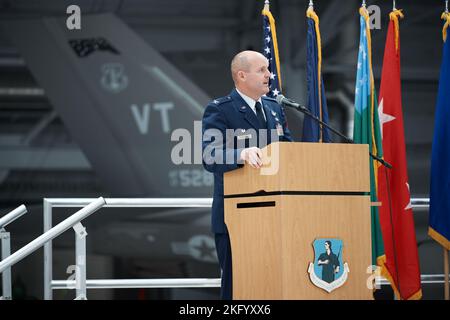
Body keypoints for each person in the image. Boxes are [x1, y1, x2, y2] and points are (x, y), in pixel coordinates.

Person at [201, 50, 293, 299]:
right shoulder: (221, 109)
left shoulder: (275, 108)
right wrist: (240, 155)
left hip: (276, 216)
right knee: (237, 288)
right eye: (262, 70)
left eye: (268, 69)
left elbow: (290, 153)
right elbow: (210, 155)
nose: (269, 75)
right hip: (235, 217)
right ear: (241, 75)